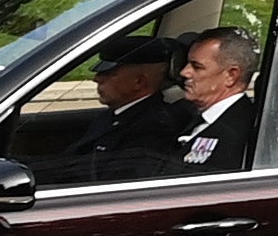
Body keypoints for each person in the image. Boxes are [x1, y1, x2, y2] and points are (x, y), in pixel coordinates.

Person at [56, 36, 191, 180]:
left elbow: (115, 182)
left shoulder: (153, 128)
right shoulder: (115, 115)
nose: (96, 79)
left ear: (139, 82)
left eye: (108, 74)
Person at [170, 26, 261, 174]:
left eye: (197, 67)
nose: (184, 72)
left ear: (231, 75)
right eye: (187, 64)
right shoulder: (185, 115)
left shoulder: (240, 134)